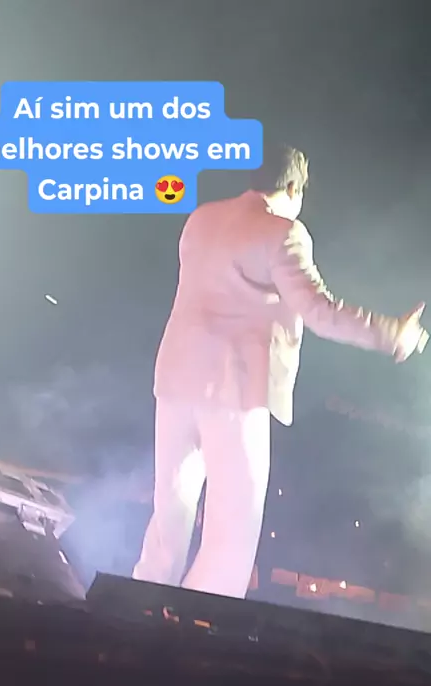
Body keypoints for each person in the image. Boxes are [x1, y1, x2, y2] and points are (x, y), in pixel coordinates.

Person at [132, 146, 427, 599]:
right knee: (232, 528)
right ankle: (195, 621)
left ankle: (139, 604)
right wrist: (391, 333)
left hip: (175, 381)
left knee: (169, 511)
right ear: (293, 188)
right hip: (234, 390)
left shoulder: (201, 218)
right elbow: (320, 311)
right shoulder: (284, 232)